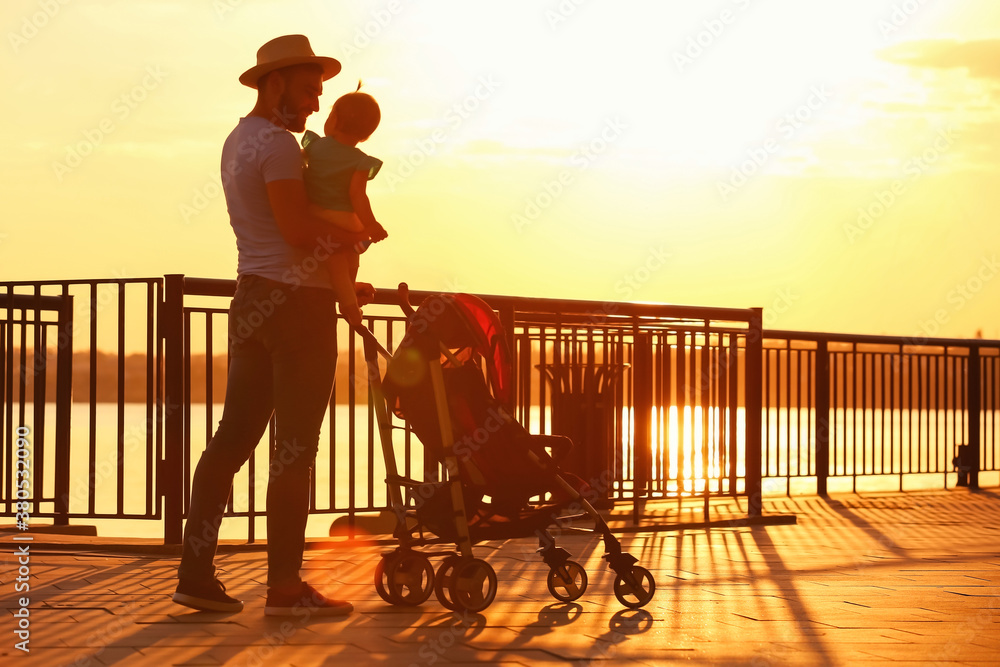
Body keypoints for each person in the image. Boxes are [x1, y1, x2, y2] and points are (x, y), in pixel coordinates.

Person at [172, 34, 373, 616]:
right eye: (311, 91)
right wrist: (352, 238)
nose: (315, 105)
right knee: (295, 450)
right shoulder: (282, 147)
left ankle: (195, 573)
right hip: (297, 309)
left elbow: (270, 232)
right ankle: (285, 588)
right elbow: (296, 230)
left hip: (252, 298)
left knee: (231, 440)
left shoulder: (237, 141)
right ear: (277, 82)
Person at [301, 85, 388, 326]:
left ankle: (348, 299)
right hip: (344, 217)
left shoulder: (315, 147)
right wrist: (371, 225)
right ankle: (350, 304)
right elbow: (358, 196)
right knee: (347, 259)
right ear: (366, 134)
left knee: (337, 261)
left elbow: (297, 163)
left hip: (315, 212)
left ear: (334, 119)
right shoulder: (360, 161)